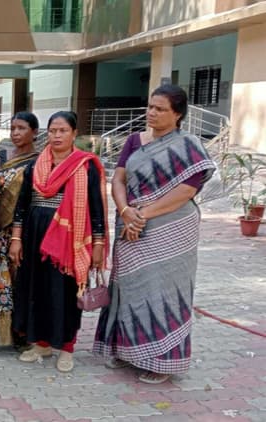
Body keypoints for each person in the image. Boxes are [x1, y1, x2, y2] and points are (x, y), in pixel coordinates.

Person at [93, 85, 216, 384]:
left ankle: (162, 361)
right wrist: (126, 211)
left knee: (164, 289)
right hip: (131, 224)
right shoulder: (135, 141)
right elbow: (118, 179)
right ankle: (126, 350)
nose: (152, 113)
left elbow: (186, 191)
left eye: (160, 109)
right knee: (129, 285)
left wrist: (142, 215)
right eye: (150, 107)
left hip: (172, 227)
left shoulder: (189, 145)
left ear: (178, 114)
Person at [9, 111, 108, 373]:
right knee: (37, 290)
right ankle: (41, 344)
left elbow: (96, 209)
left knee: (65, 292)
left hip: (69, 241)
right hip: (35, 236)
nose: (57, 136)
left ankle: (67, 348)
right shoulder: (36, 166)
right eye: (53, 131)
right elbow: (22, 205)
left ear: (74, 133)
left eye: (63, 131)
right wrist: (16, 239)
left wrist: (98, 244)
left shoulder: (85, 166)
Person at [0, 112, 40, 349]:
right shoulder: (1, 157)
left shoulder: (39, 161)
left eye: (21, 128)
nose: (15, 133)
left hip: (22, 231)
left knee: (20, 279)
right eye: (13, 128)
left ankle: (22, 333)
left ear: (34, 132)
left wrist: (19, 233)